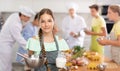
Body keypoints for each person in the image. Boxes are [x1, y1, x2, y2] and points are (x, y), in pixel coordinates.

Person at [0, 6, 35, 71]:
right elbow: (19, 39)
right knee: (4, 65)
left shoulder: (15, 15)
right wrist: (30, 47)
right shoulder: (15, 24)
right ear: (23, 15)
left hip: (4, 43)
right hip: (4, 45)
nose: (28, 20)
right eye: (28, 18)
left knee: (7, 63)